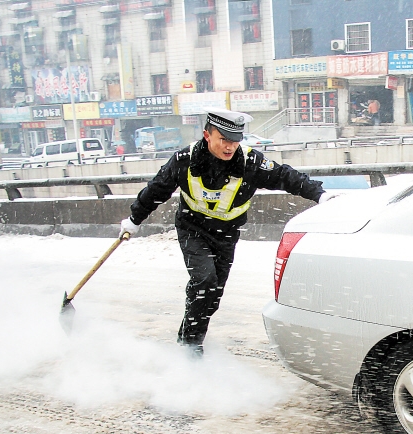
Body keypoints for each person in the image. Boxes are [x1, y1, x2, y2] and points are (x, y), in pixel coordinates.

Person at [119, 109, 338, 356]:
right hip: (193, 228)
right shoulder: (184, 160)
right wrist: (134, 219)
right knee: (204, 281)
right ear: (207, 135)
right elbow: (156, 190)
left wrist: (320, 194)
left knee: (213, 294)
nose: (229, 146)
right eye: (223, 139)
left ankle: (189, 335)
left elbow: (285, 176)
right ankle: (191, 346)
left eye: (235, 140)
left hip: (226, 234)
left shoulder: (249, 162)